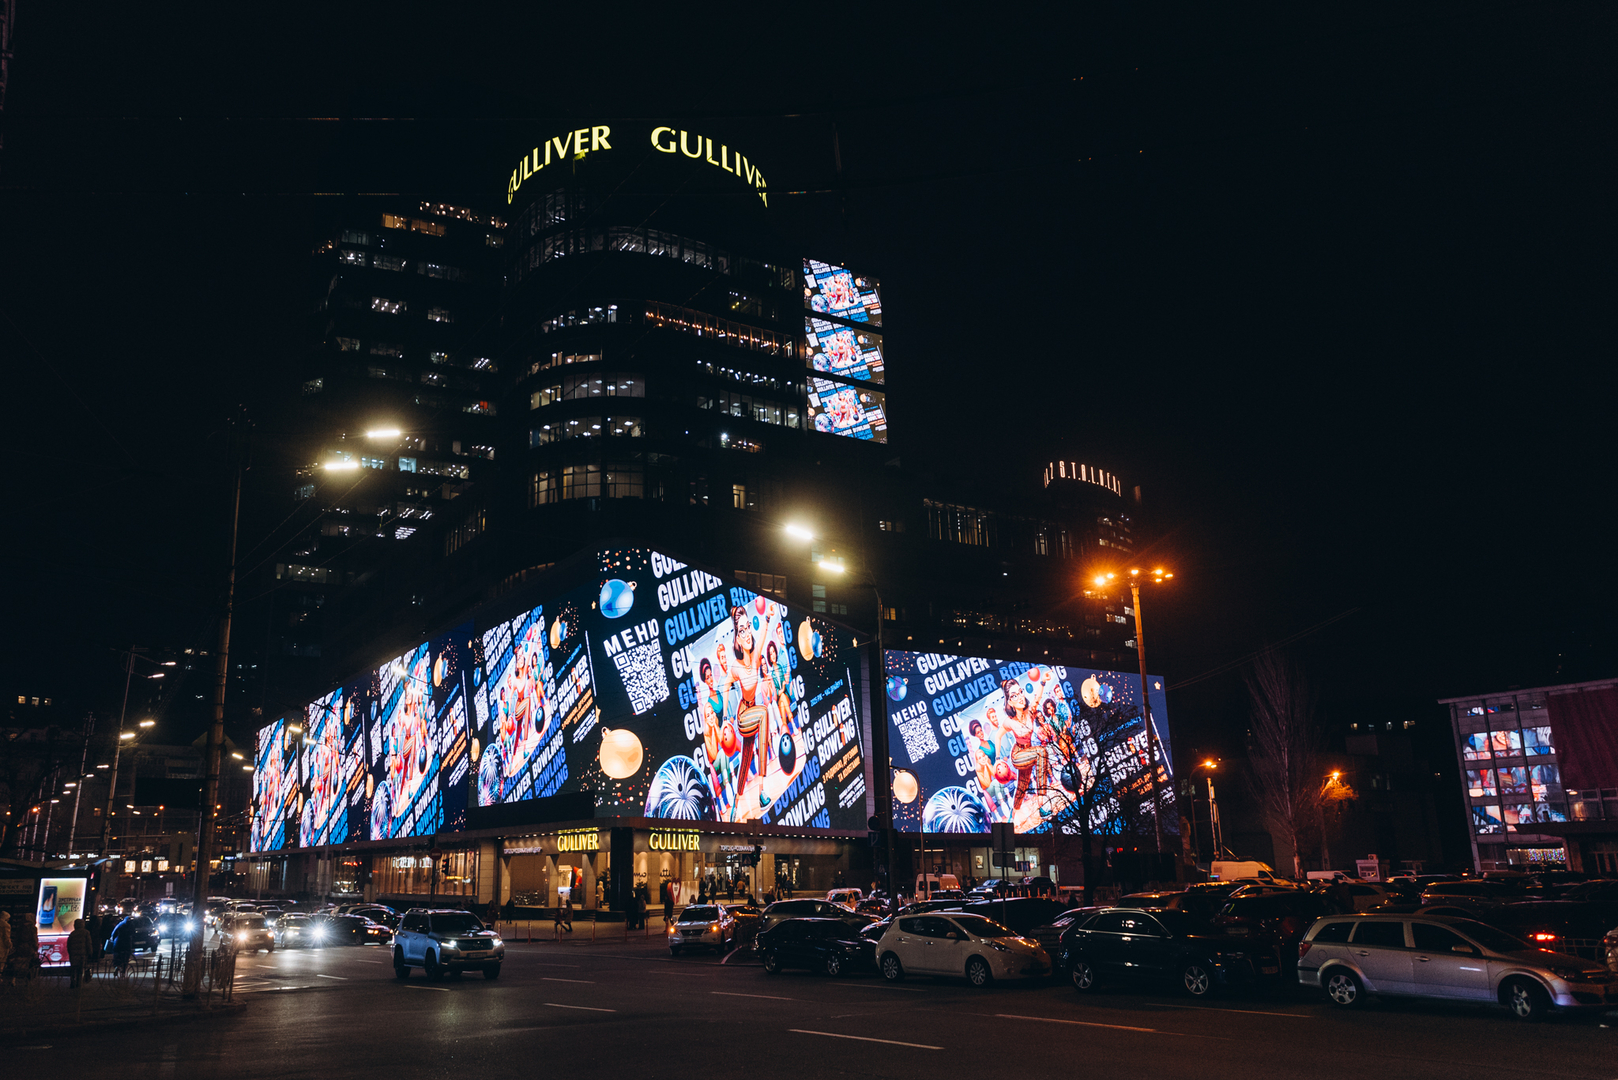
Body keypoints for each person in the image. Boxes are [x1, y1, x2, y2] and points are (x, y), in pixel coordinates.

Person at [8, 913, 40, 984]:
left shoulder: (20, 927)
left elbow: (17, 937)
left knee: (18, 962)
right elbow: (34, 938)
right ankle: (27, 979)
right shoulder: (33, 928)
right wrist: (36, 946)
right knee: (29, 963)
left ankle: (14, 978)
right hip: (29, 947)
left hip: (20, 946)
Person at [67, 918, 91, 988]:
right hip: (82, 954)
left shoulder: (73, 933)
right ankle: (78, 982)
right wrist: (90, 952)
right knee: (80, 969)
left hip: (73, 954)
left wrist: (70, 952)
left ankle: (72, 981)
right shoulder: (86, 933)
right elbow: (88, 943)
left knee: (73, 968)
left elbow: (69, 944)